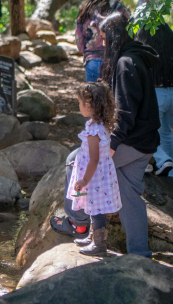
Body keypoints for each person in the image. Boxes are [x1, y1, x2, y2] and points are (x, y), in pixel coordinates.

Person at [52, 13, 160, 257]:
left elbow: (127, 111)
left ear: (113, 36)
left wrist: (112, 146)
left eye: (103, 37)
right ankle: (139, 253)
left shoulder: (125, 64)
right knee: (130, 196)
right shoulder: (136, 58)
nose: (101, 43)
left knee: (76, 161)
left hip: (131, 143)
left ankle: (76, 222)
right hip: (146, 143)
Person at [67, 82, 122, 256]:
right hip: (99, 174)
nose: (79, 106)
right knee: (93, 206)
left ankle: (99, 245)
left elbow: (94, 158)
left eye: (80, 103)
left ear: (89, 106)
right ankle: (93, 237)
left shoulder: (94, 131)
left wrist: (84, 180)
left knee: (97, 211)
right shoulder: (98, 125)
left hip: (94, 176)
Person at [135, 24, 173, 177]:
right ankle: (171, 174)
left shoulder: (147, 49)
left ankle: (161, 161)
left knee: (145, 131)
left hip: (157, 94)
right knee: (166, 134)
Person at [75, 0, 130, 82]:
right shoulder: (121, 10)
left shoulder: (85, 9)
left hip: (92, 61)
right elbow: (132, 33)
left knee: (93, 97)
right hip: (114, 61)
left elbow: (79, 40)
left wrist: (87, 51)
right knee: (112, 97)